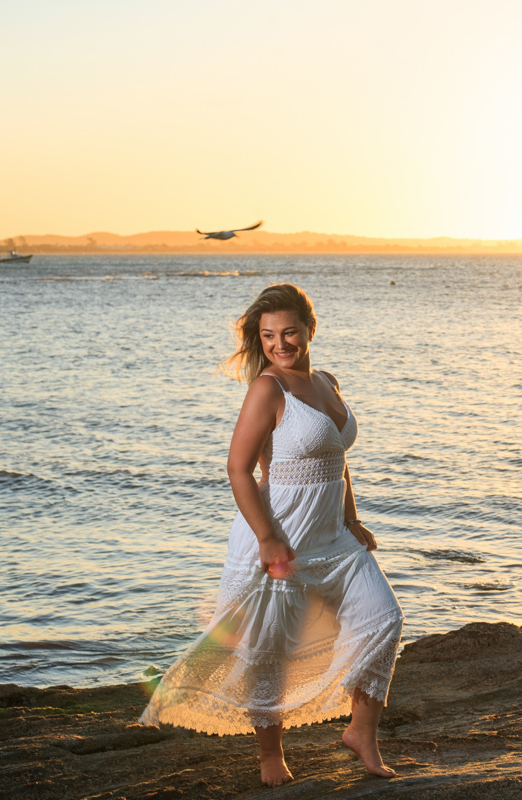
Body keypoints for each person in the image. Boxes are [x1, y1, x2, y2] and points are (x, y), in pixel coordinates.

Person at [140, 283, 404, 786]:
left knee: (383, 619)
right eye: (268, 336)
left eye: (288, 333)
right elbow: (238, 469)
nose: (280, 344)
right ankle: (270, 757)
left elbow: (337, 463)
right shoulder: (267, 389)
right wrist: (266, 538)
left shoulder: (327, 381)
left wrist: (352, 518)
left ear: (309, 329)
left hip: (334, 538)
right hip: (281, 534)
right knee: (269, 648)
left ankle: (361, 733)